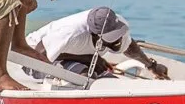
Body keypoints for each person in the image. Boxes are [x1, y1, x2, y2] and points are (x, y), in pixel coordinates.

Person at [28, 7, 170, 80]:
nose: (118, 40)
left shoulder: (116, 23)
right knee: (82, 77)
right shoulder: (70, 33)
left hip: (75, 56)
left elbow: (129, 46)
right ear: (94, 34)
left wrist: (151, 65)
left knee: (110, 81)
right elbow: (39, 56)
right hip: (33, 58)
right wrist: (88, 59)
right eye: (112, 37)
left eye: (118, 34)